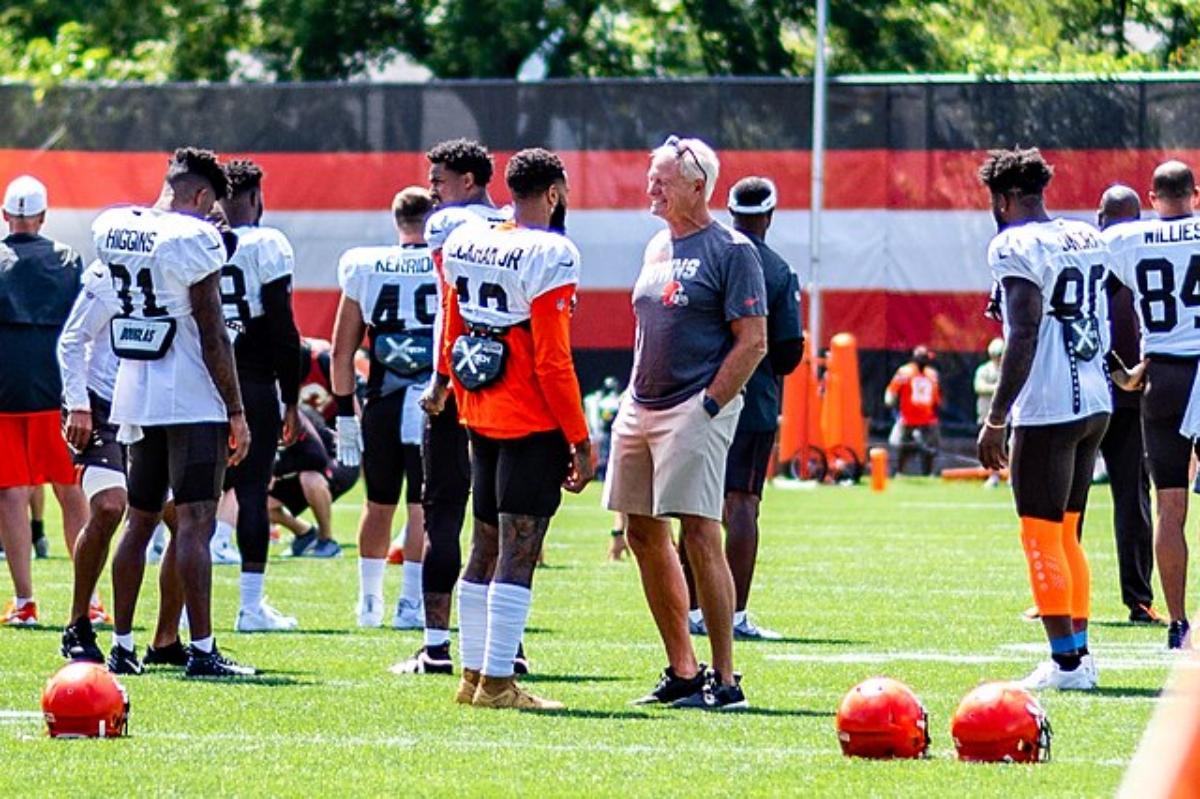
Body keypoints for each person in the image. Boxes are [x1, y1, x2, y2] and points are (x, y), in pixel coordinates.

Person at [604, 135, 767, 710]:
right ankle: (683, 668)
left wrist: (709, 405)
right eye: (651, 177)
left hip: (696, 406)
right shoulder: (655, 246)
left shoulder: (732, 250)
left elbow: (753, 342)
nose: (652, 187)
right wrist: (630, 396)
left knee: (700, 532)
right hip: (640, 404)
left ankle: (725, 679)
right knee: (643, 532)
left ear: (699, 185)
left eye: (663, 179)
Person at [439, 147, 592, 709]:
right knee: (520, 545)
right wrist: (578, 435)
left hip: (479, 405)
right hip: (528, 413)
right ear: (553, 193)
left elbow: (452, 322)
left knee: (483, 542)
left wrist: (453, 389)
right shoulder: (552, 251)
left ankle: (473, 675)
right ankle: (499, 681)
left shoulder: (469, 237)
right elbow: (554, 360)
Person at [95, 147, 254, 678]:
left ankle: (121, 644)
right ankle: (203, 649)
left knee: (139, 521)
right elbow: (211, 331)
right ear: (204, 196)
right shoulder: (195, 238)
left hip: (136, 389)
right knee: (195, 522)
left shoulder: (116, 224)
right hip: (189, 393)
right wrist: (235, 408)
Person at [977, 147, 1110, 690]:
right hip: (1095, 396)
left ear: (1005, 199)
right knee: (1067, 533)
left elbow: (1026, 331)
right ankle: (1078, 654)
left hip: (1049, 402)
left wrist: (996, 416)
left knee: (1039, 535)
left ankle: (1067, 664)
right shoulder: (1086, 234)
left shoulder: (1012, 241)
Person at [393, 138, 514, 676]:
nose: (432, 190)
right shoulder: (519, 224)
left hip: (459, 379)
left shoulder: (448, 226)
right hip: (510, 387)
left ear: (468, 181)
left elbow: (450, 307)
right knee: (502, 520)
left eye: (439, 179)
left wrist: (442, 378)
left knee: (443, 513)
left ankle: (438, 646)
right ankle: (503, 644)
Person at [680, 176, 802, 641]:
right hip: (752, 401)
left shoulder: (701, 255)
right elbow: (788, 351)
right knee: (743, 503)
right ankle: (732, 614)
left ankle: (691, 607)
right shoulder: (777, 269)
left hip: (695, 398)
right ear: (769, 216)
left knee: (693, 505)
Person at [332, 186, 437, 630]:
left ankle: (369, 602)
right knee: (421, 506)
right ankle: (410, 604)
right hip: (432, 399)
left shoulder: (365, 263)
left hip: (382, 398)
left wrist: (343, 411)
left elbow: (342, 351)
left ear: (397, 220)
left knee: (378, 503)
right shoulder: (444, 261)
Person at [1106, 160, 1200, 650]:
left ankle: (1179, 623)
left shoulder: (1128, 238)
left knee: (1169, 505)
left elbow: (1090, 296)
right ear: (1195, 193)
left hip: (1161, 374)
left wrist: (1114, 363)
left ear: (1152, 195)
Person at [211, 159, 303, 632]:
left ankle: (187, 619)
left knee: (188, 498)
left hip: (197, 379)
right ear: (253, 197)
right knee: (250, 492)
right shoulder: (266, 244)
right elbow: (282, 327)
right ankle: (250, 607)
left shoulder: (194, 239)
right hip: (249, 378)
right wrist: (292, 395)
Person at [0, 174, 88, 626]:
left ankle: (24, 601)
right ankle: (88, 599)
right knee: (71, 491)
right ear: (43, 216)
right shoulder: (70, 260)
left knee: (10, 495)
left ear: (5, 216)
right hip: (57, 391)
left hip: (4, 392)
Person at [1096, 184, 1160, 625]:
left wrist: (1129, 369)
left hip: (1110, 396)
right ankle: (1058, 598)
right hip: (1107, 393)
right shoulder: (1088, 261)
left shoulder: (1143, 263)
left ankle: (1137, 598)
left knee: (1130, 499)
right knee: (1074, 502)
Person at [269, 406, 355, 558]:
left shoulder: (289, 414)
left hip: (335, 461)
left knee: (310, 478)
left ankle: (327, 540)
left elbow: (316, 458)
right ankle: (305, 534)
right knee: (256, 502)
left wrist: (275, 471)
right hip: (303, 467)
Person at [884, 346, 942, 476]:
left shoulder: (932, 374)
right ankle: (900, 471)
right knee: (903, 447)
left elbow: (936, 397)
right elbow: (892, 390)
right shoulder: (905, 372)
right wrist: (890, 402)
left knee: (929, 449)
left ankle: (928, 473)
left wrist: (936, 410)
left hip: (928, 418)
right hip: (908, 417)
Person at [975, 338, 1005, 486]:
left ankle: (1012, 477)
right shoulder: (984, 369)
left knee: (1011, 445)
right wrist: (1000, 389)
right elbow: (979, 386)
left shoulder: (1008, 369)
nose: (998, 357)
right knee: (991, 447)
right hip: (986, 414)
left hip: (1006, 416)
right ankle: (993, 476)